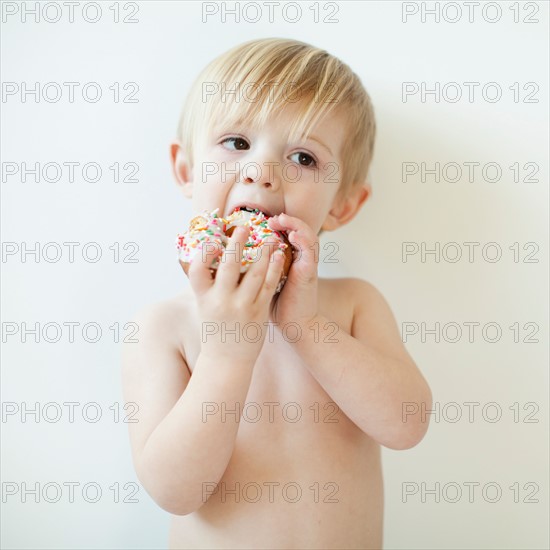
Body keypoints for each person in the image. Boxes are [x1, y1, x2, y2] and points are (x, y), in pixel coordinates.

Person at [122, 37, 432, 549]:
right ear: (186, 170)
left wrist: (305, 328)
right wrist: (226, 351)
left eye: (304, 157)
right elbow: (176, 491)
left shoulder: (354, 305)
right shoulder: (163, 328)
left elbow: (406, 425)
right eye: (237, 143)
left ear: (343, 206)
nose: (261, 172)